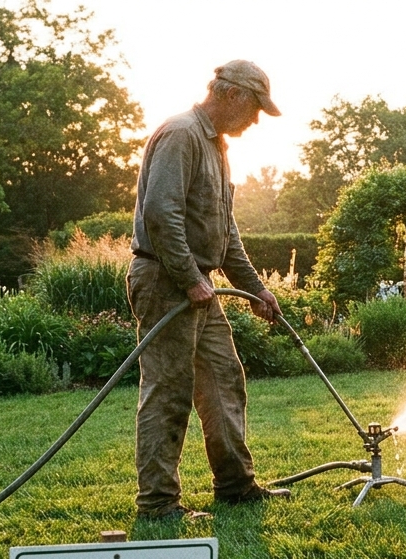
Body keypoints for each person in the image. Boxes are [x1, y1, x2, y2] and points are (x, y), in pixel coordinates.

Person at [128, 60, 290, 520]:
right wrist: (190, 278)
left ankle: (236, 485)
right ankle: (158, 505)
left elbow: (225, 233)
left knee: (223, 378)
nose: (256, 119)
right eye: (255, 108)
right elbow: (162, 213)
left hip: (197, 284)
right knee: (169, 390)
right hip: (165, 280)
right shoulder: (180, 135)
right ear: (233, 95)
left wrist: (256, 289)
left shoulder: (216, 146)